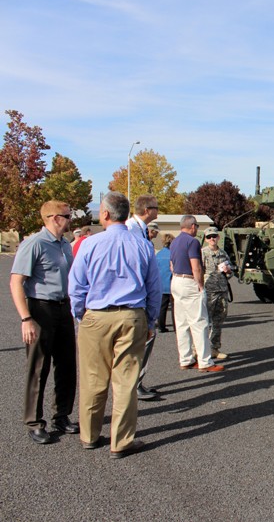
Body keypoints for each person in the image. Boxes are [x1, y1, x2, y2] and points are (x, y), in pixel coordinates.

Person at [68, 191, 161, 458]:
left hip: (96, 316)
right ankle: (121, 442)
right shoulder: (143, 245)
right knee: (126, 381)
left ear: (105, 214)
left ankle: (89, 435)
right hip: (132, 315)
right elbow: (153, 287)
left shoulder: (89, 244)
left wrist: (80, 315)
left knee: (92, 379)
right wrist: (151, 320)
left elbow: (76, 287)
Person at [9, 200, 79, 444]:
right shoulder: (33, 244)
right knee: (39, 368)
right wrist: (26, 318)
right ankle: (35, 422)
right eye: (68, 216)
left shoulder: (65, 246)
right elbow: (16, 282)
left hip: (64, 308)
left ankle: (62, 415)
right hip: (40, 310)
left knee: (67, 365)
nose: (71, 219)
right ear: (54, 218)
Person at [170, 215, 224, 373]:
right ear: (192, 226)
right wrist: (200, 284)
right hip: (189, 282)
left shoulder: (174, 241)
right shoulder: (192, 242)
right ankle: (205, 362)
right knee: (199, 323)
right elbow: (196, 266)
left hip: (176, 280)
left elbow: (172, 265)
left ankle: (185, 359)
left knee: (181, 323)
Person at [127, 196, 161, 401]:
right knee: (138, 344)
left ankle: (137, 382)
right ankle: (133, 385)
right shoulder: (131, 230)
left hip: (142, 298)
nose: (158, 212)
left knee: (145, 341)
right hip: (134, 300)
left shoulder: (140, 230)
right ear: (148, 210)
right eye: (156, 209)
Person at [201, 227, 233, 360]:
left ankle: (214, 348)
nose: (212, 239)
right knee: (204, 321)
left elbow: (231, 271)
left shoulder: (223, 253)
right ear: (206, 239)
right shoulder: (203, 253)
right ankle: (199, 349)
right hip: (209, 290)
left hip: (222, 290)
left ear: (218, 237)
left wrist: (228, 271)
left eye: (214, 236)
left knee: (219, 320)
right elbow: (198, 271)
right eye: (209, 237)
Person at [156, 233, 175, 332]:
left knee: (162, 307)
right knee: (175, 308)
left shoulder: (158, 255)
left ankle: (161, 326)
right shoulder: (173, 255)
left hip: (161, 285)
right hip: (172, 284)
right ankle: (176, 326)